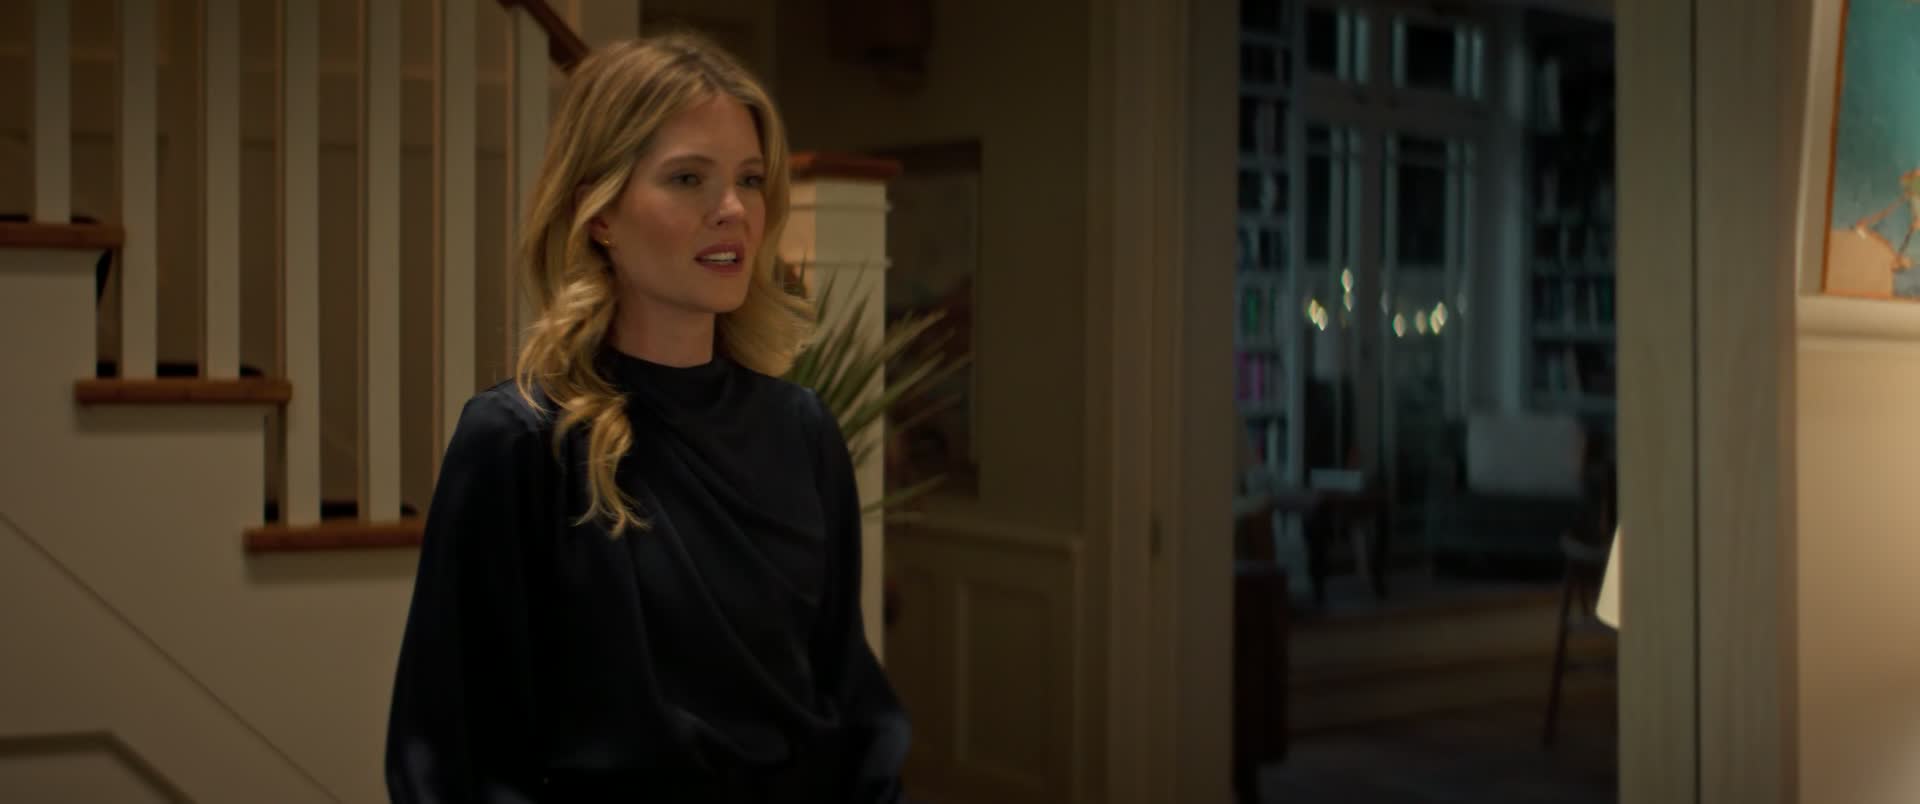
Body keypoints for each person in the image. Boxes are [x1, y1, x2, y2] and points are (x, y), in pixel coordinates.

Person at [384, 33, 909, 803]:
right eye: (689, 178)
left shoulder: (803, 431)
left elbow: (851, 700)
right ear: (598, 211)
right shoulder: (520, 441)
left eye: (750, 180)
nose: (732, 210)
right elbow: (445, 755)